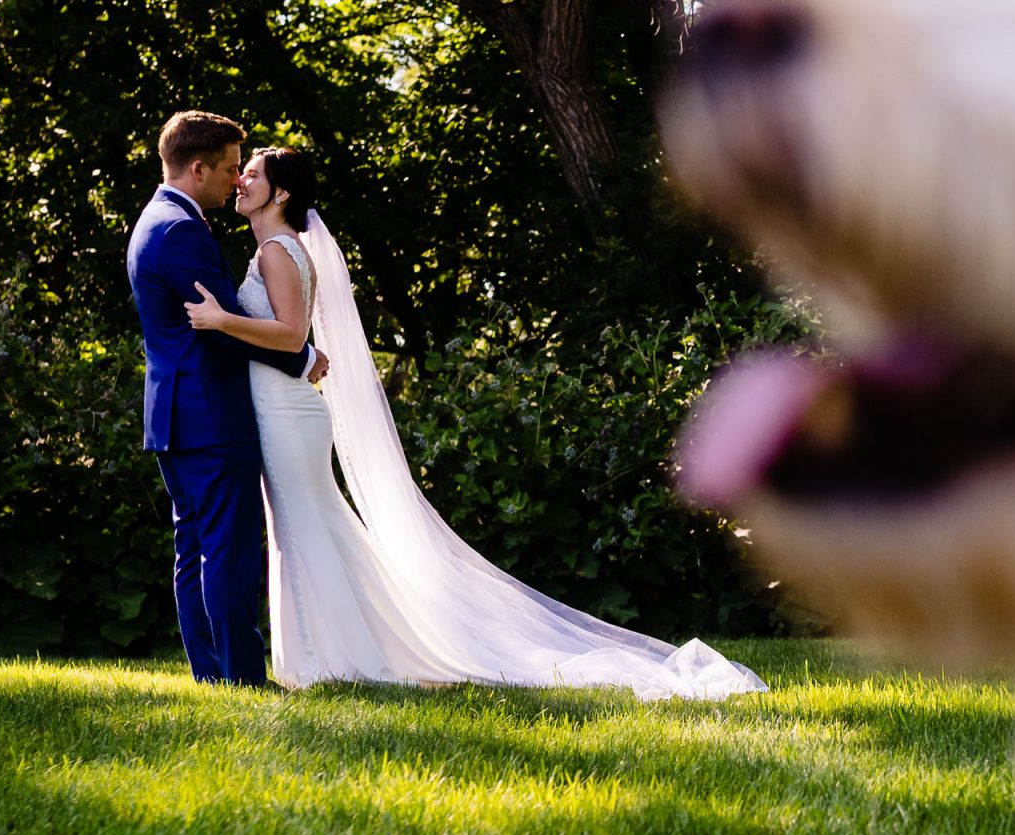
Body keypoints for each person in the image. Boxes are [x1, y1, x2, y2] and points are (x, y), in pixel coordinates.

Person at [183, 145, 764, 699]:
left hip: (287, 409)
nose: (240, 182)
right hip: (285, 404)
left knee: (304, 526)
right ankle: (331, 653)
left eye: (251, 174)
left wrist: (218, 321)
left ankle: (331, 658)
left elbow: (289, 336)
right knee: (307, 526)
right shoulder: (282, 249)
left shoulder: (276, 252)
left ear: (279, 192)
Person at [124, 111, 328, 687]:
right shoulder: (179, 230)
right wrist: (303, 357)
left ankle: (215, 676)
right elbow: (224, 320)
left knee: (196, 547)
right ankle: (241, 678)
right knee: (229, 550)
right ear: (198, 168)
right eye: (232, 168)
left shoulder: (158, 219)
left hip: (177, 413)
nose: (236, 179)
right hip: (209, 414)